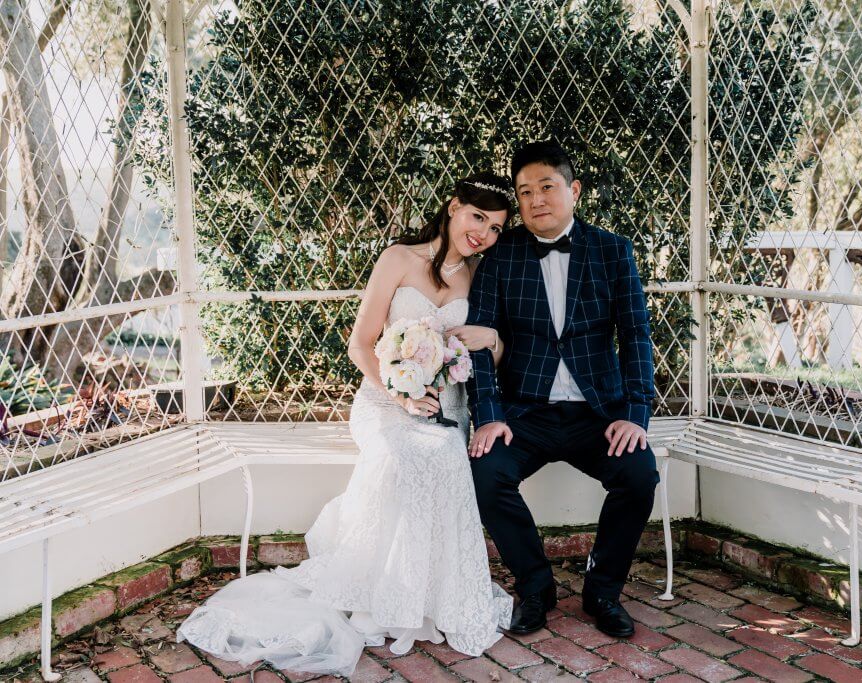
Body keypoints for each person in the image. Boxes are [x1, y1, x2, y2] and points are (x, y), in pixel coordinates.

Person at [177, 172, 517, 676]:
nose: (483, 233)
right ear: (452, 207)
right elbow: (361, 344)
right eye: (477, 218)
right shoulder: (399, 258)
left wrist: (491, 338)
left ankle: (433, 595)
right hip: (386, 401)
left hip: (447, 408)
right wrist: (400, 394)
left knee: (446, 454)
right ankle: (387, 594)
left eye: (494, 227)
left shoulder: (481, 275)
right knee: (403, 458)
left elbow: (492, 354)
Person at [466, 140, 659, 638]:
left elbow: (636, 334)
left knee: (638, 474)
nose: (535, 200)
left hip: (598, 414)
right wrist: (488, 414)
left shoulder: (612, 250)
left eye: (546, 187)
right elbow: (479, 340)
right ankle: (536, 586)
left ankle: (602, 590)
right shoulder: (500, 254)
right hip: (524, 413)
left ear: (573, 190)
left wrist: (635, 413)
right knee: (486, 475)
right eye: (524, 191)